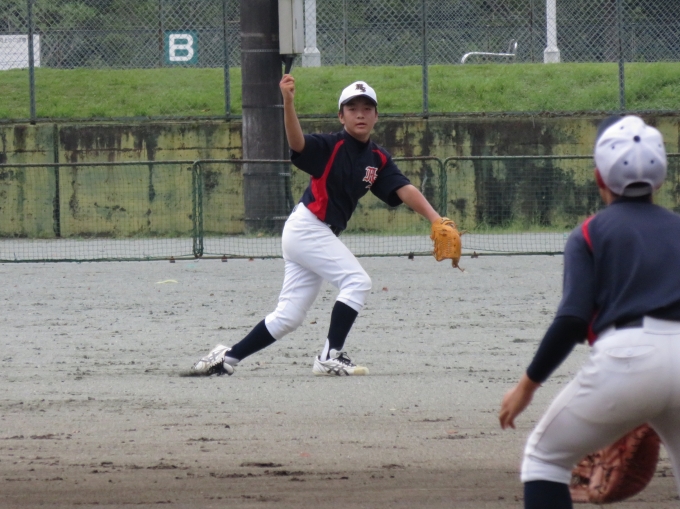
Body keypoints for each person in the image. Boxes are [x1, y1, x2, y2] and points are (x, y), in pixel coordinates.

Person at [191, 76, 443, 377]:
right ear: (341, 116)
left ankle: (225, 358)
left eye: (367, 108)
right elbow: (297, 143)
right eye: (352, 108)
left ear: (376, 116)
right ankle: (330, 356)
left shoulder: (377, 158)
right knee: (357, 281)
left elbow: (404, 188)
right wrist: (288, 102)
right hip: (308, 228)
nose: (360, 114)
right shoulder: (330, 146)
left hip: (311, 234)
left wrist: (436, 219)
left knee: (289, 316)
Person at [498, 114, 680, 508]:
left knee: (544, 459)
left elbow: (572, 320)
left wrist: (526, 387)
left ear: (599, 177)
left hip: (627, 360)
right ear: (661, 181)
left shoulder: (589, 232)